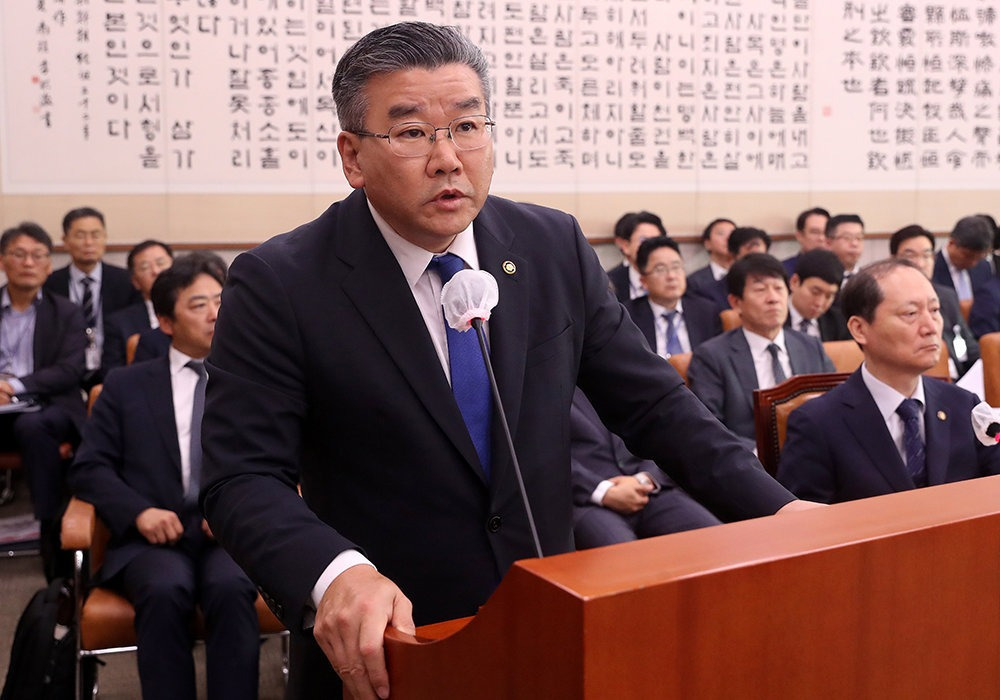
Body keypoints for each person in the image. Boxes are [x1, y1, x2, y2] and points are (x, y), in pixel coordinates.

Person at [198, 22, 818, 700]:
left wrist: (780, 511)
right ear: (352, 156)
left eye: (467, 126)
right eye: (411, 133)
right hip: (393, 650)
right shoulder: (281, 282)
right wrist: (336, 573)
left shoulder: (550, 245)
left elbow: (654, 405)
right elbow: (242, 478)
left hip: (545, 627)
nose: (447, 158)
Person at [70, 255, 259, 700]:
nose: (215, 313)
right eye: (199, 304)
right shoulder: (125, 385)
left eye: (220, 300)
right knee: (163, 588)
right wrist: (139, 513)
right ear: (166, 322)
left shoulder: (252, 381)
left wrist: (237, 509)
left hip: (227, 535)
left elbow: (280, 460)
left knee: (232, 587)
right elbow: (89, 468)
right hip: (149, 537)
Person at [777, 259, 1000, 503]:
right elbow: (803, 521)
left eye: (935, 310)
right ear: (859, 329)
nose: (931, 327)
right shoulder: (817, 423)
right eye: (911, 314)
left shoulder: (964, 406)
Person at [0, 222, 87, 579]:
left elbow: (70, 370)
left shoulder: (66, 312)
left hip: (48, 407)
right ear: (3, 261)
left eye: (38, 255)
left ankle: (50, 531)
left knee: (34, 426)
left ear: (49, 266)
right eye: (19, 254)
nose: (28, 262)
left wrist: (13, 385)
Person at [687, 254, 835, 451]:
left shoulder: (811, 346)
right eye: (760, 290)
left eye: (779, 288)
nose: (773, 299)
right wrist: (763, 455)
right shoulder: (712, 356)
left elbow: (835, 406)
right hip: (751, 461)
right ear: (736, 302)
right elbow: (709, 429)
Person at [569, 390, 721, 549]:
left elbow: (656, 428)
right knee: (624, 557)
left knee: (717, 542)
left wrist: (645, 478)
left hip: (648, 486)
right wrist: (603, 491)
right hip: (585, 500)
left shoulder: (623, 379)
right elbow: (550, 457)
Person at [43, 207, 141, 382]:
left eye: (96, 235)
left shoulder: (126, 282)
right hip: (64, 374)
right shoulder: (49, 284)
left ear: (105, 238)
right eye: (80, 236)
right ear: (65, 241)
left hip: (114, 373)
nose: (89, 243)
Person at [891, 225, 979, 378]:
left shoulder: (947, 296)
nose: (920, 263)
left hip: (957, 378)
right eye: (910, 256)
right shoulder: (888, 301)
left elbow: (970, 347)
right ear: (893, 260)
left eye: (926, 256)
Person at [626, 237, 721, 357]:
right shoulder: (628, 317)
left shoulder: (706, 312)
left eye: (676, 267)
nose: (671, 276)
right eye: (660, 269)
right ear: (644, 281)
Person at [101, 240, 174, 372]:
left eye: (161, 263)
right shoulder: (118, 323)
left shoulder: (196, 313)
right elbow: (112, 374)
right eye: (145, 267)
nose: (156, 271)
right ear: (135, 281)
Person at [784, 249, 850, 341]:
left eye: (829, 296)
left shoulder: (839, 323)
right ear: (795, 282)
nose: (819, 303)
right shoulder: (772, 318)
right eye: (815, 292)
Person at [606, 211, 667, 303]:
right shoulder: (609, 284)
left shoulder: (673, 279)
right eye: (644, 241)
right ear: (625, 245)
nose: (652, 246)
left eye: (657, 241)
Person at [931, 215, 993, 302]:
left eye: (979, 258)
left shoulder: (984, 267)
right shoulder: (931, 268)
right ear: (951, 243)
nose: (973, 263)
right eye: (967, 256)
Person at [687, 217, 735, 309]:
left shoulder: (747, 276)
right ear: (707, 244)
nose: (728, 238)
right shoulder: (695, 281)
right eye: (721, 234)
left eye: (732, 234)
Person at [783, 207, 830, 276]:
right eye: (815, 232)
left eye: (826, 232)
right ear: (799, 236)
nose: (822, 238)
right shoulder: (784, 270)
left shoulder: (840, 267)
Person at [825, 213, 866, 281]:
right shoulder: (819, 279)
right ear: (828, 243)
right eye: (847, 237)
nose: (854, 244)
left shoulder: (869, 280)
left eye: (859, 238)